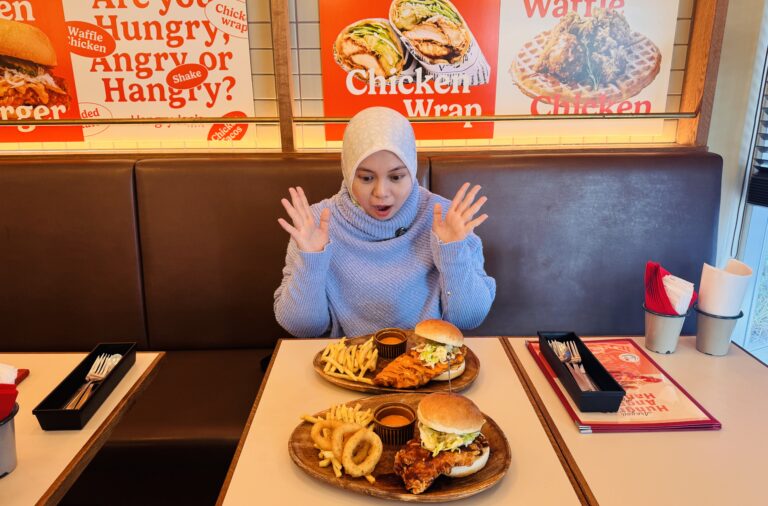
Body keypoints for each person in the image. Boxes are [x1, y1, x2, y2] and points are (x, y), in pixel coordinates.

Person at [274, 107, 495, 337]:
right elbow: (303, 328)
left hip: (427, 355)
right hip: (350, 358)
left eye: (396, 177)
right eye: (366, 178)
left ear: (412, 170)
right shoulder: (316, 223)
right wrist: (312, 260)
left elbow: (469, 318)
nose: (381, 192)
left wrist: (453, 252)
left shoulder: (447, 218)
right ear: (348, 173)